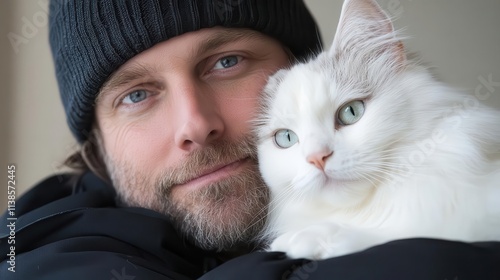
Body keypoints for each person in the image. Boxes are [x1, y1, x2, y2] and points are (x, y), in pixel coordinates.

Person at [1, 0, 499, 279]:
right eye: (136, 95)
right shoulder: (41, 261)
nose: (195, 124)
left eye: (226, 62)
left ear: (300, 72)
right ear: (97, 148)